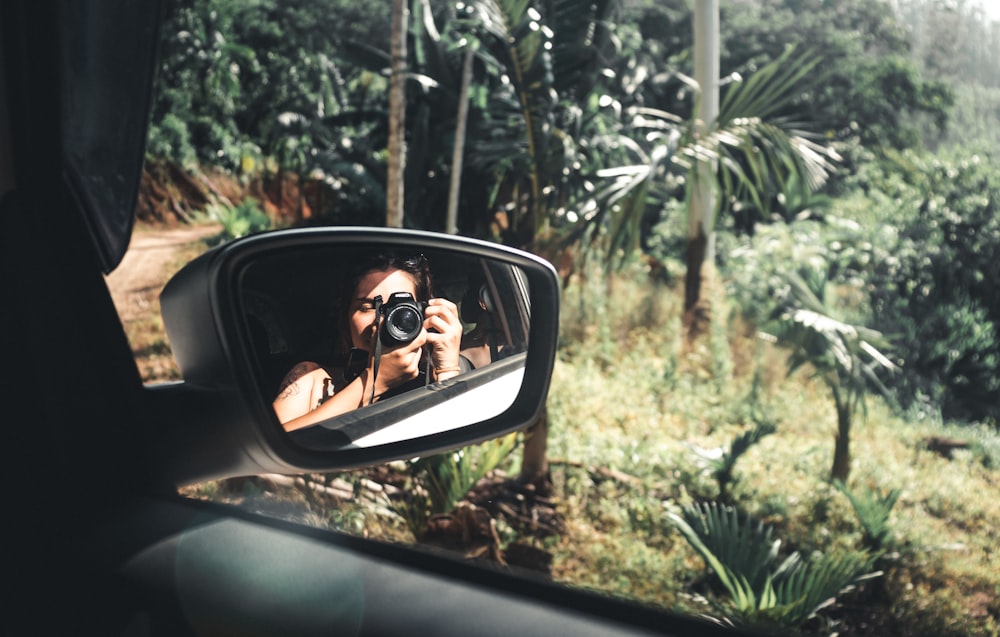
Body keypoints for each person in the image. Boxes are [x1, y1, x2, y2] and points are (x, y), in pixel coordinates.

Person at [273, 252, 464, 432]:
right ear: (346, 319)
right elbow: (270, 449)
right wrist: (375, 381)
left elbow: (452, 450)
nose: (381, 320)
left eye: (398, 309)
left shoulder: (433, 381)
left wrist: (447, 369)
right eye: (367, 307)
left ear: (424, 315)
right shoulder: (311, 379)